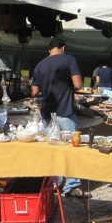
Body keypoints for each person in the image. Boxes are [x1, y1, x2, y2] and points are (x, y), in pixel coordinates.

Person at [31, 37, 83, 196]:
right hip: (65, 110)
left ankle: (55, 184)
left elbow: (34, 92)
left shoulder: (40, 65)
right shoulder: (69, 59)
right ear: (63, 47)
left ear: (49, 49)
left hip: (47, 112)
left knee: (53, 149)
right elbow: (78, 85)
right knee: (71, 149)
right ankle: (72, 186)